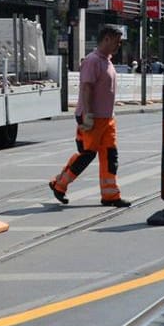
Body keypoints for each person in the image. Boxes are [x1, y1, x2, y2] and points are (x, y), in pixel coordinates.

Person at [50, 24, 130, 207]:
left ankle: (110, 195)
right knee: (86, 155)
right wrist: (88, 115)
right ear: (107, 39)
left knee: (110, 156)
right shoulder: (92, 60)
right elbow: (86, 88)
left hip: (107, 118)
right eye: (117, 42)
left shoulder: (107, 61)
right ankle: (59, 184)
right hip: (92, 117)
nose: (119, 46)